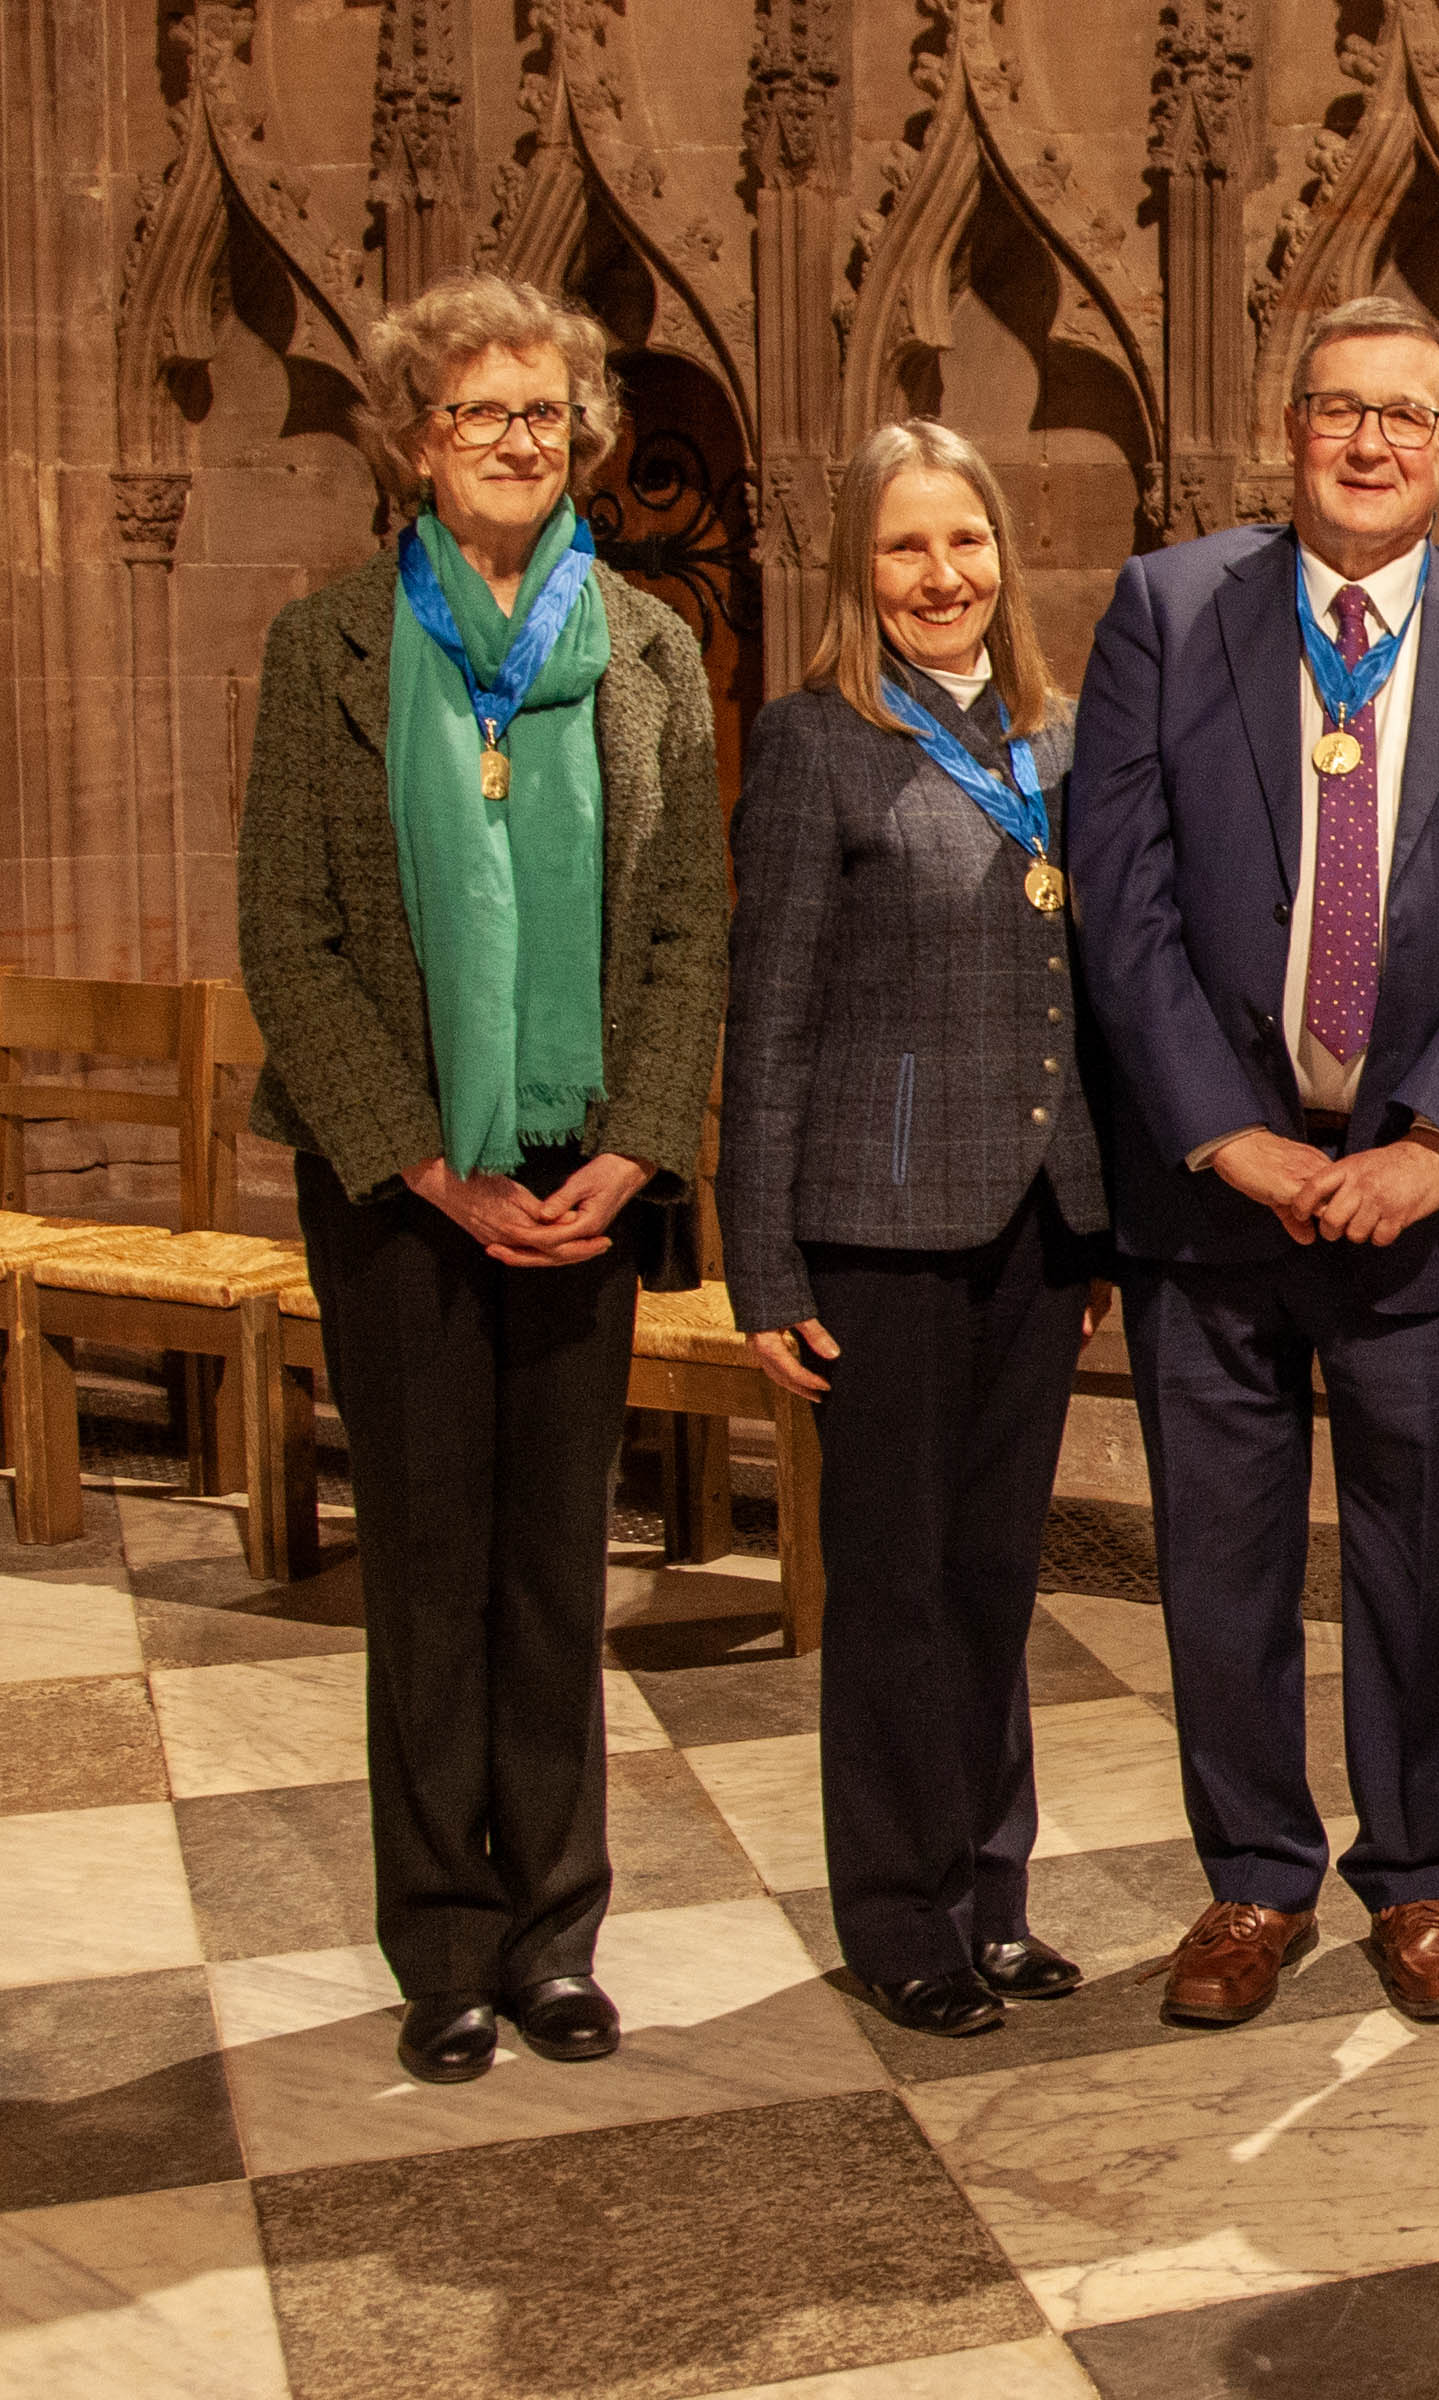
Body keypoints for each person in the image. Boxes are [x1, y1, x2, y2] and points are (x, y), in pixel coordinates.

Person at [1069, 297, 1439, 2028]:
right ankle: (1248, 1881)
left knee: (1409, 1549)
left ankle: (1411, 1880)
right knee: (1220, 1557)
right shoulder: (1171, 609)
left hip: (1419, 1205)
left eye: (1404, 416)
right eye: (1336, 412)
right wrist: (1219, 1129)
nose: (1368, 443)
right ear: (1287, 434)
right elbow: (1121, 885)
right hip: (1208, 1194)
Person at [235, 274, 728, 2086]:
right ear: (413, 443)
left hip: (583, 1178)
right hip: (403, 1193)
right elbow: (289, 940)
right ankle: (443, 1942)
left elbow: (688, 921)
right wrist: (432, 1170)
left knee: (555, 1572)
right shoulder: (331, 646)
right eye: (477, 416)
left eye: (544, 415)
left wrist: (629, 1147)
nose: (516, 443)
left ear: (582, 435)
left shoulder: (654, 648)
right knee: (429, 1567)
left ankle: (558, 1938)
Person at [721, 421, 1112, 2038]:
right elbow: (773, 1014)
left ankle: (991, 1891)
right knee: (891, 1586)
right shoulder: (819, 744)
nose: (941, 576)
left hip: (1036, 1220)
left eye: (965, 544)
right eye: (905, 549)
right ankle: (897, 1913)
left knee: (995, 1578)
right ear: (857, 574)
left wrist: (1090, 1231)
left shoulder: (1058, 739)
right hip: (875, 1233)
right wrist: (763, 1263)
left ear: (1003, 559)